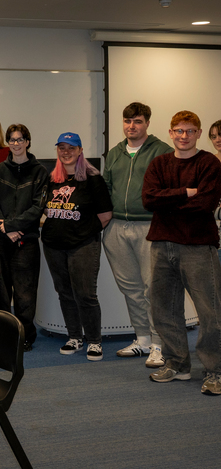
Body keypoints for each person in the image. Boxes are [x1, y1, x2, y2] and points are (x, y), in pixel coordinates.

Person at [143, 111, 221, 395]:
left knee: (210, 312)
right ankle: (177, 364)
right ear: (171, 133)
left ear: (199, 133)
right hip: (162, 245)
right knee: (163, 309)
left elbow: (205, 203)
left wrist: (169, 200)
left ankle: (216, 371)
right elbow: (148, 199)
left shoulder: (209, 163)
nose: (184, 136)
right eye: (179, 131)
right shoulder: (160, 163)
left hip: (198, 247)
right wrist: (186, 192)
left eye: (190, 131)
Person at [102, 102, 173, 366]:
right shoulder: (115, 153)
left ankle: (159, 343)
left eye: (138, 121)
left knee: (152, 288)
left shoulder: (162, 152)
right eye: (128, 121)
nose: (132, 126)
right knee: (130, 288)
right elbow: (106, 187)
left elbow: (169, 191)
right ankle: (142, 339)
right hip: (117, 228)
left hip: (149, 227)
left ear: (147, 123)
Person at [42, 132, 113, 361]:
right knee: (65, 293)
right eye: (62, 147)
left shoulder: (92, 179)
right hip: (53, 245)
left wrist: (82, 231)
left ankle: (94, 340)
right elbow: (45, 208)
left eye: (71, 147)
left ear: (80, 150)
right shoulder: (52, 178)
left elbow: (105, 215)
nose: (66, 152)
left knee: (85, 294)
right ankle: (74, 337)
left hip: (83, 245)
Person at [0, 124, 48, 352]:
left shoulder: (40, 172)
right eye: (12, 140)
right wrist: (5, 229)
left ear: (27, 142)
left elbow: (38, 207)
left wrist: (13, 226)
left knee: (25, 294)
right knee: (3, 292)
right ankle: (5, 334)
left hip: (27, 241)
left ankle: (26, 336)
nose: (16, 143)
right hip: (1, 240)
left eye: (20, 139)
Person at [209, 120, 221, 264]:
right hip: (214, 233)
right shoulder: (208, 161)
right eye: (213, 136)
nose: (218, 139)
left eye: (220, 135)